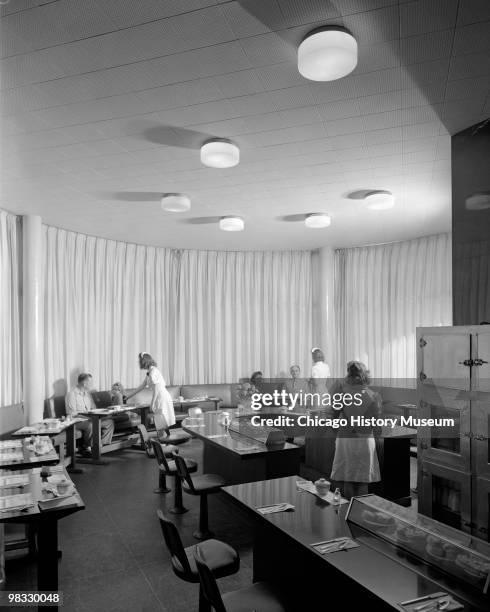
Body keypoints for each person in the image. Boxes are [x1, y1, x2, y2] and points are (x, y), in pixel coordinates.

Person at [329, 361, 381, 500]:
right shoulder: (373, 395)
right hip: (365, 440)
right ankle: (360, 514)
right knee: (363, 479)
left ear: (348, 374)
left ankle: (347, 514)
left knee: (348, 477)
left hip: (345, 439)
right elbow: (376, 426)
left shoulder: (341, 393)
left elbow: (333, 418)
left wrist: (339, 431)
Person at [66, 373, 115, 454]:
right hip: (76, 420)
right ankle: (89, 446)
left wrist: (102, 412)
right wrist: (88, 417)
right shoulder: (71, 394)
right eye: (91, 382)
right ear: (84, 383)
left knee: (109, 422)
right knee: (91, 424)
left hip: (90, 418)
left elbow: (94, 408)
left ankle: (100, 445)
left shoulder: (88, 394)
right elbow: (71, 413)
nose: (92, 384)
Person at [126, 352, 175, 433]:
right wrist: (128, 396)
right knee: (161, 421)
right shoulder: (150, 372)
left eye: (140, 360)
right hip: (159, 397)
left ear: (144, 361)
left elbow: (157, 388)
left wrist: (152, 403)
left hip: (161, 397)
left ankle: (164, 441)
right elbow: (142, 386)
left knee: (161, 421)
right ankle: (165, 441)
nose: (139, 362)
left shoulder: (153, 372)